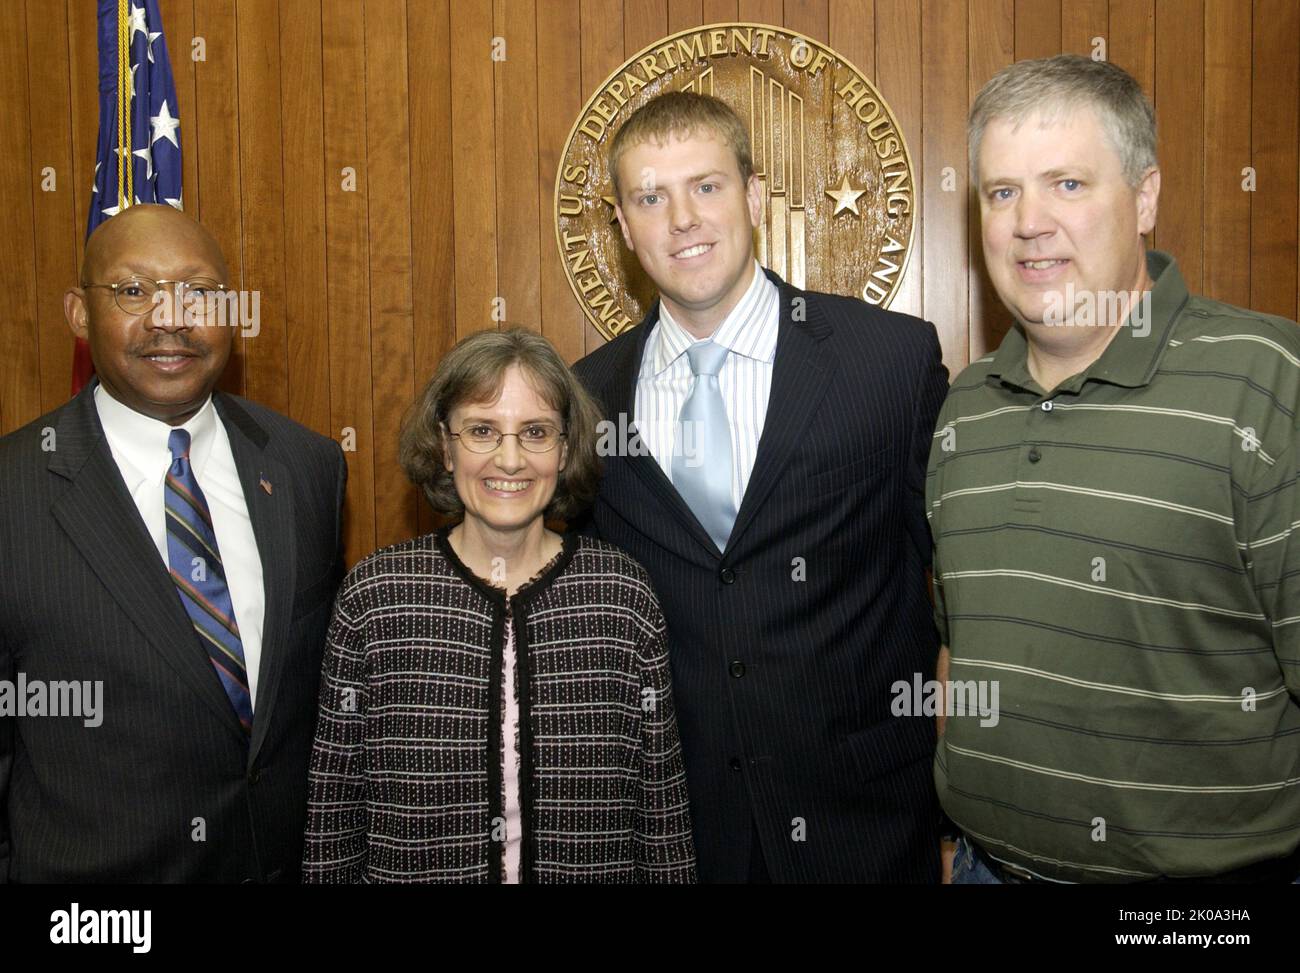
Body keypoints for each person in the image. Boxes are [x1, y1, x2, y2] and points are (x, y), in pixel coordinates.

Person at [930, 54, 1300, 883]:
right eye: (1002, 192)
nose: (1029, 222)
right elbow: (964, 645)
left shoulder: (1267, 383)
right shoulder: (965, 410)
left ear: (1145, 198)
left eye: (1067, 184)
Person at [573, 91, 950, 882]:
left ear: (751, 194)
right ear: (623, 227)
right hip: (676, 833)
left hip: (868, 825)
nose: (682, 219)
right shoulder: (585, 398)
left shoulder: (890, 362)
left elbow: (959, 593)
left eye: (705, 186)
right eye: (650, 197)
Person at [0, 204, 347, 882]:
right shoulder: (13, 491)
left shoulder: (308, 466)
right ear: (78, 312)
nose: (170, 318)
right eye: (134, 291)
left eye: (199, 293)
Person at [303, 327, 696, 883]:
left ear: (565, 449)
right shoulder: (376, 597)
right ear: (444, 444)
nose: (509, 460)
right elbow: (333, 813)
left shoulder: (620, 595)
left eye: (535, 432)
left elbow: (662, 814)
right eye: (482, 431)